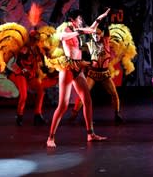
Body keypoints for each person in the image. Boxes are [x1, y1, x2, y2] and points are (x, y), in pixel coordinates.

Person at [46, 8, 110, 148]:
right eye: (79, 19)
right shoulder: (66, 30)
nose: (81, 21)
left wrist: (101, 16)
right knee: (63, 105)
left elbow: (92, 29)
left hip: (78, 68)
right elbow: (62, 37)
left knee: (87, 100)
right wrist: (81, 31)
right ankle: (50, 137)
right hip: (68, 68)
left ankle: (90, 134)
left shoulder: (77, 30)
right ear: (72, 20)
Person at [68, 20, 124, 125]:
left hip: (105, 74)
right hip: (93, 73)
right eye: (94, 34)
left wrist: (104, 18)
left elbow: (106, 32)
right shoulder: (89, 44)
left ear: (102, 34)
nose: (96, 36)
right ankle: (74, 114)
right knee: (83, 95)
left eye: (98, 34)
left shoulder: (106, 42)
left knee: (114, 94)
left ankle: (117, 113)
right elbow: (78, 45)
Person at [6, 30, 57, 126]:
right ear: (30, 39)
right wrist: (24, 70)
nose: (35, 41)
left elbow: (42, 64)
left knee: (41, 91)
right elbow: (18, 63)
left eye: (37, 39)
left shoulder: (38, 50)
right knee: (24, 95)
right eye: (33, 39)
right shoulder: (24, 49)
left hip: (31, 75)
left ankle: (37, 115)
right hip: (21, 75)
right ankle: (20, 116)